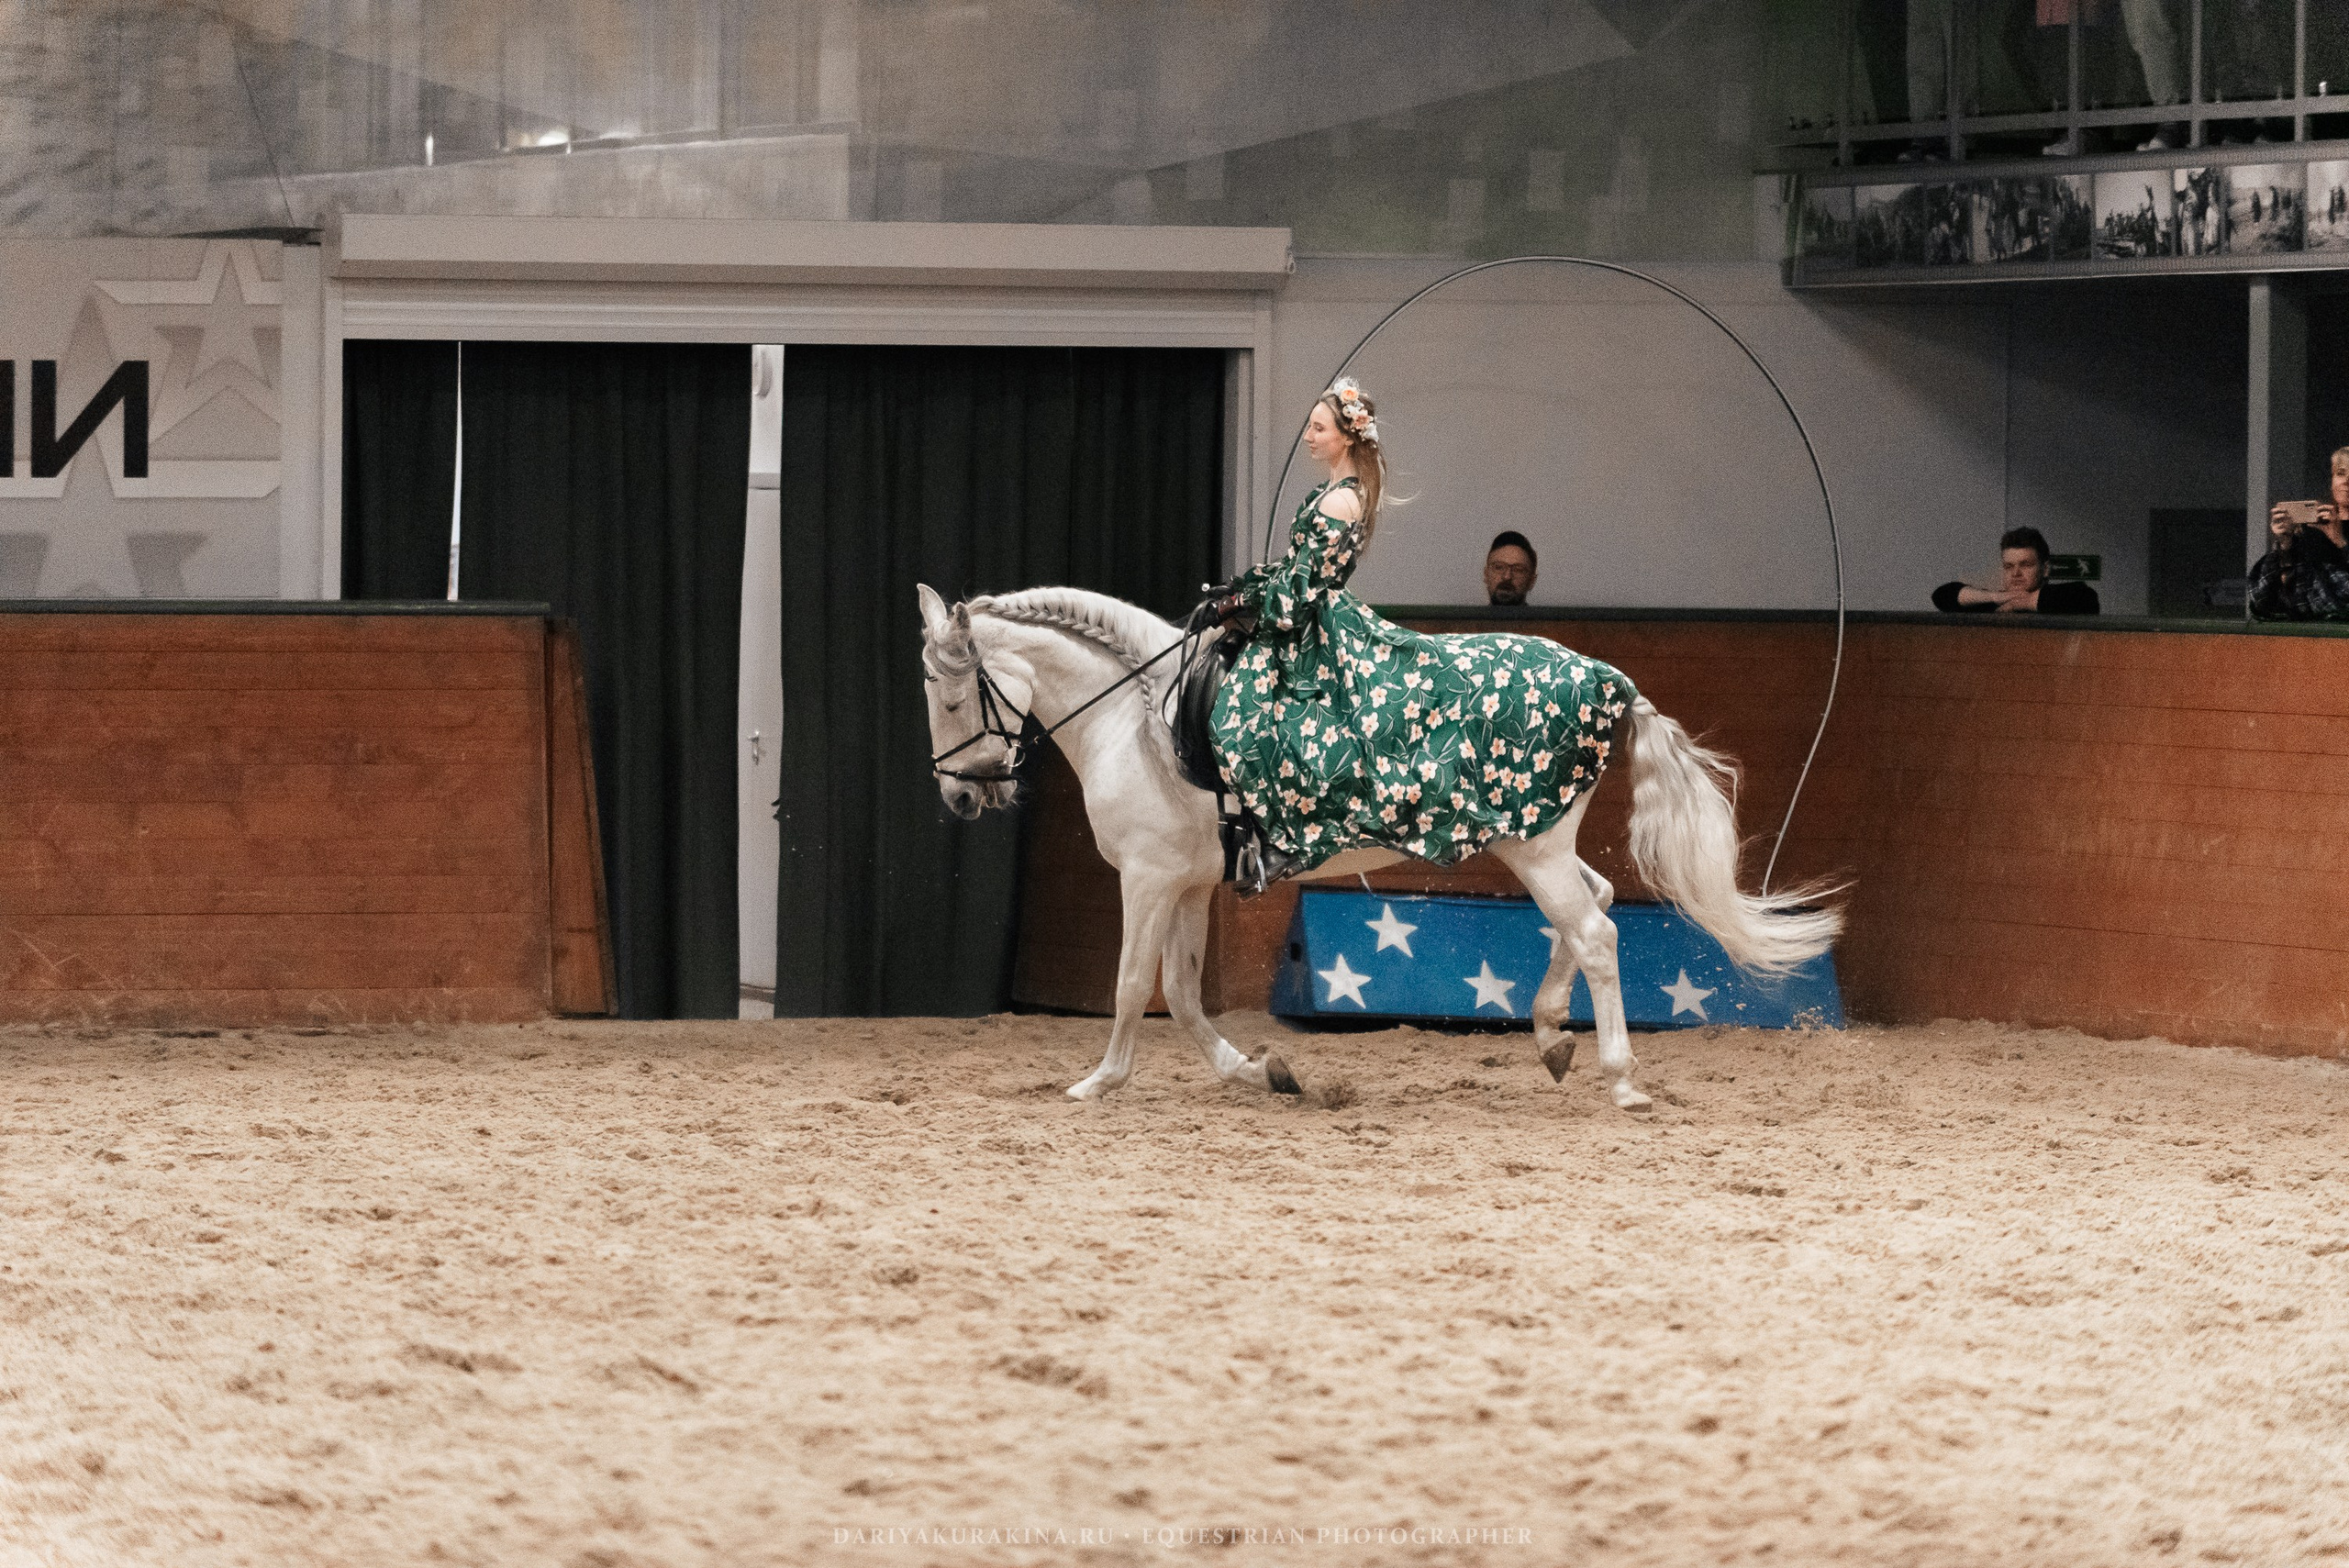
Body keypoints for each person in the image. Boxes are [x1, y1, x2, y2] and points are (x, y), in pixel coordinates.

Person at [1205, 379, 1633, 881]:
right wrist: (1245, 589)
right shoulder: (1327, 493)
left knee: (1248, 717)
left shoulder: (1341, 502)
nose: (1307, 436)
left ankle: (1286, 840)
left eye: (1318, 428)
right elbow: (1292, 569)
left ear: (1346, 437)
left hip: (1313, 629)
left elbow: (1304, 586)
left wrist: (1249, 602)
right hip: (1308, 616)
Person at [2249, 446, 2349, 621]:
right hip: (2308, 625)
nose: (2346, 481)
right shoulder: (2311, 530)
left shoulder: (2333, 531)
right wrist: (2285, 543)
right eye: (2340, 473)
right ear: (2332, 480)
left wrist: (2338, 539)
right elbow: (2275, 594)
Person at [1932, 526, 2101, 614]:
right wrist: (1995, 596)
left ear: (2045, 569)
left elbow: (2087, 599)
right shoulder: (1997, 604)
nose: (2016, 574)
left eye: (2026, 565)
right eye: (2009, 567)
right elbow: (1943, 595)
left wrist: (2024, 602)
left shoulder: (2062, 599)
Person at [1485, 530, 1538, 606]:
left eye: (1518, 570)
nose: (1507, 577)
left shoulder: (1551, 617)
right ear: (1486, 575)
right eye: (1499, 567)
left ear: (1532, 581)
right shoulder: (1466, 617)